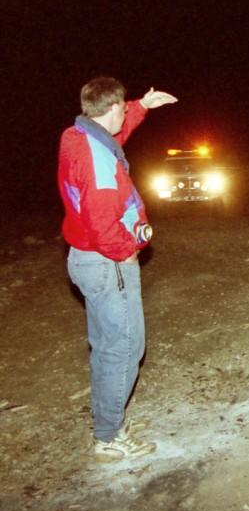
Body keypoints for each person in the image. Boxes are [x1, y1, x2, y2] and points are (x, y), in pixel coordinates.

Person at [58, 76, 177, 462]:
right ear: (110, 108)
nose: (125, 112)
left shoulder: (78, 136)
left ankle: (111, 422)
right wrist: (126, 251)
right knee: (124, 347)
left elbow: (112, 137)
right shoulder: (98, 162)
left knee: (107, 346)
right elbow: (102, 221)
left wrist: (143, 105)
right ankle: (109, 437)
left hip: (84, 257)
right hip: (108, 262)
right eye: (123, 107)